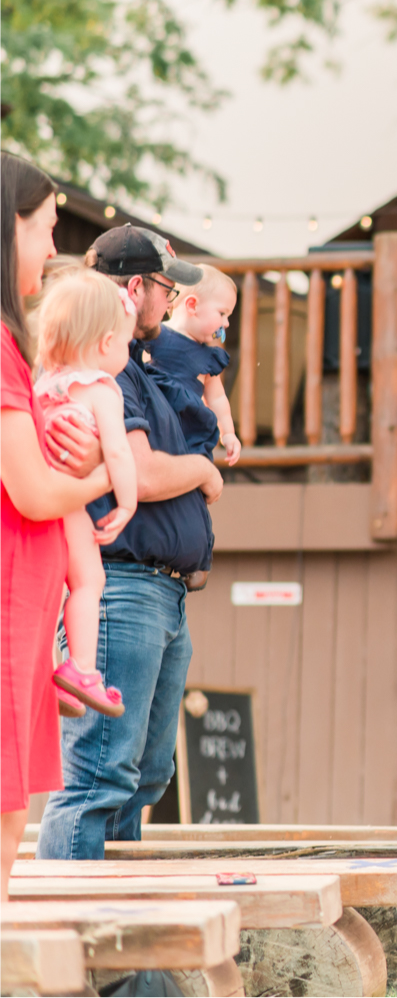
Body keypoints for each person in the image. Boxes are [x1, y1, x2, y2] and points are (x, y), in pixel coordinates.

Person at [36, 224, 223, 861]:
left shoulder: (137, 362)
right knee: (99, 777)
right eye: (168, 291)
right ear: (137, 286)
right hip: (125, 586)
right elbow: (138, 473)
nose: (171, 307)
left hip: (159, 595)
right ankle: (71, 941)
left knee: (142, 777)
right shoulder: (103, 371)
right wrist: (203, 472)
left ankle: (113, 943)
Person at [0, 155, 113, 899]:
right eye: (43, 230)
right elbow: (36, 493)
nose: (50, 249)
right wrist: (104, 473)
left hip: (26, 622)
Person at [35, 269, 143, 718]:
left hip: (36, 502)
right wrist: (127, 501)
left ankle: (55, 669)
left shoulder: (41, 386)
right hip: (71, 505)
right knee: (88, 581)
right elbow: (117, 451)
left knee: (48, 591)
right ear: (103, 345)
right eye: (124, 344)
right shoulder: (102, 390)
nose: (126, 353)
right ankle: (79, 669)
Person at [142, 264, 241, 463]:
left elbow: (217, 398)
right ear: (192, 306)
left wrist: (228, 432)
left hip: (187, 428)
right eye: (222, 314)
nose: (227, 323)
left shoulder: (208, 357)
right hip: (153, 417)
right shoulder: (155, 335)